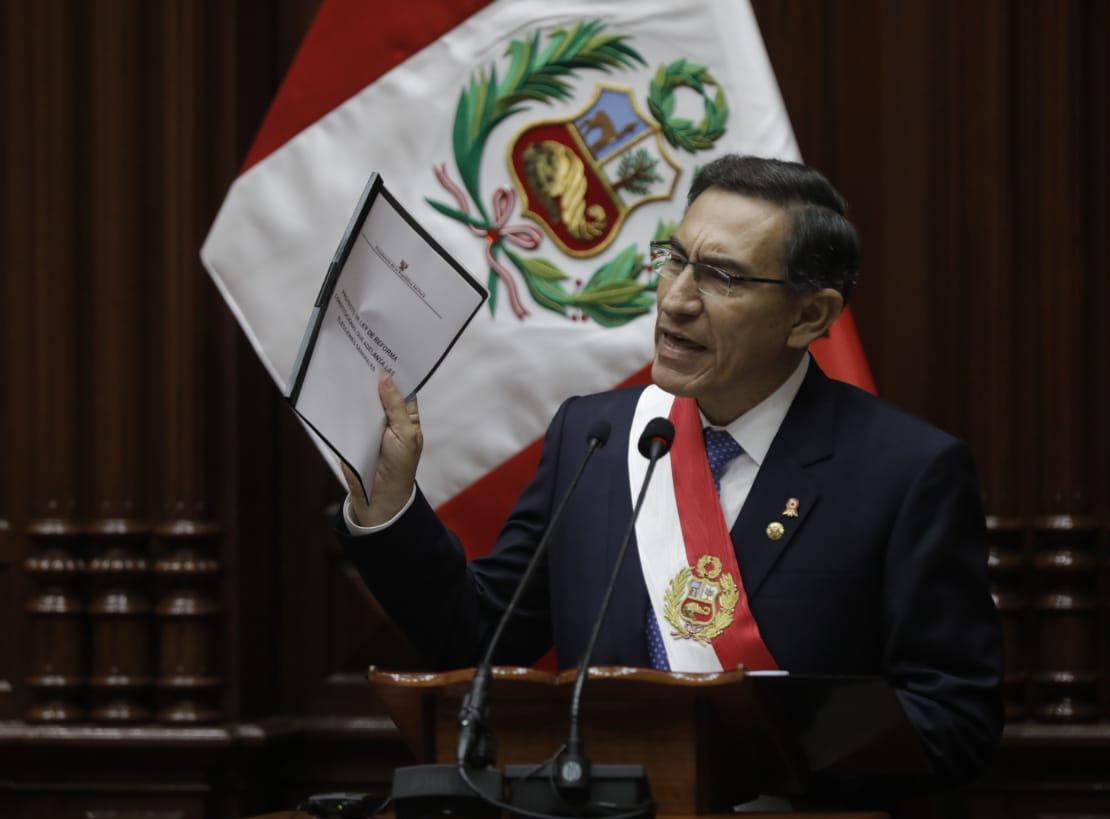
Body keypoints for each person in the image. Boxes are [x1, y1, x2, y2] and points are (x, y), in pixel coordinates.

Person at [335, 155, 1003, 785]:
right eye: (675, 260)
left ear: (810, 315)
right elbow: (477, 636)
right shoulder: (595, 437)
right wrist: (389, 505)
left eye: (723, 277)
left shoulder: (905, 472)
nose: (677, 299)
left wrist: (770, 748)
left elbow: (956, 723)